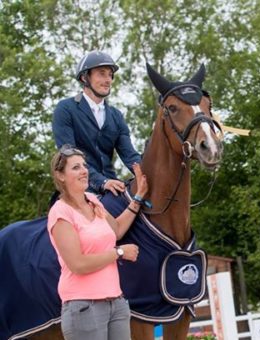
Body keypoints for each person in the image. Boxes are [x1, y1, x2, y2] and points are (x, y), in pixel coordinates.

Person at [47, 145, 147, 339]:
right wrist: (118, 253)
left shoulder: (93, 200)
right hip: (84, 306)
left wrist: (138, 198)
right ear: (60, 175)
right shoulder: (60, 213)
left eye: (84, 165)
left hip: (116, 302)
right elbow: (78, 264)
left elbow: (116, 229)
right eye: (75, 167)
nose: (84, 170)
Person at [53, 51, 141, 195]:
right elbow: (68, 155)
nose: (108, 80)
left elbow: (130, 156)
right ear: (84, 77)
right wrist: (102, 182)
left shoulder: (116, 116)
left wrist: (151, 175)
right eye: (101, 73)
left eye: (110, 75)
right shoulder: (65, 109)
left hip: (112, 188)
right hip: (80, 190)